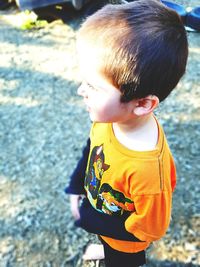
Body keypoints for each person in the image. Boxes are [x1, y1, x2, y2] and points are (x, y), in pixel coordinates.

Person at [65, 0, 188, 266]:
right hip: (103, 216)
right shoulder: (111, 119)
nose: (80, 90)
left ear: (143, 104)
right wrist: (77, 183)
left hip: (126, 248)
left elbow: (148, 230)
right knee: (107, 243)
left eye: (93, 86)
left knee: (118, 259)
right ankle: (105, 247)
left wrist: (87, 218)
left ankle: (111, 253)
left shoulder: (147, 172)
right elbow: (92, 148)